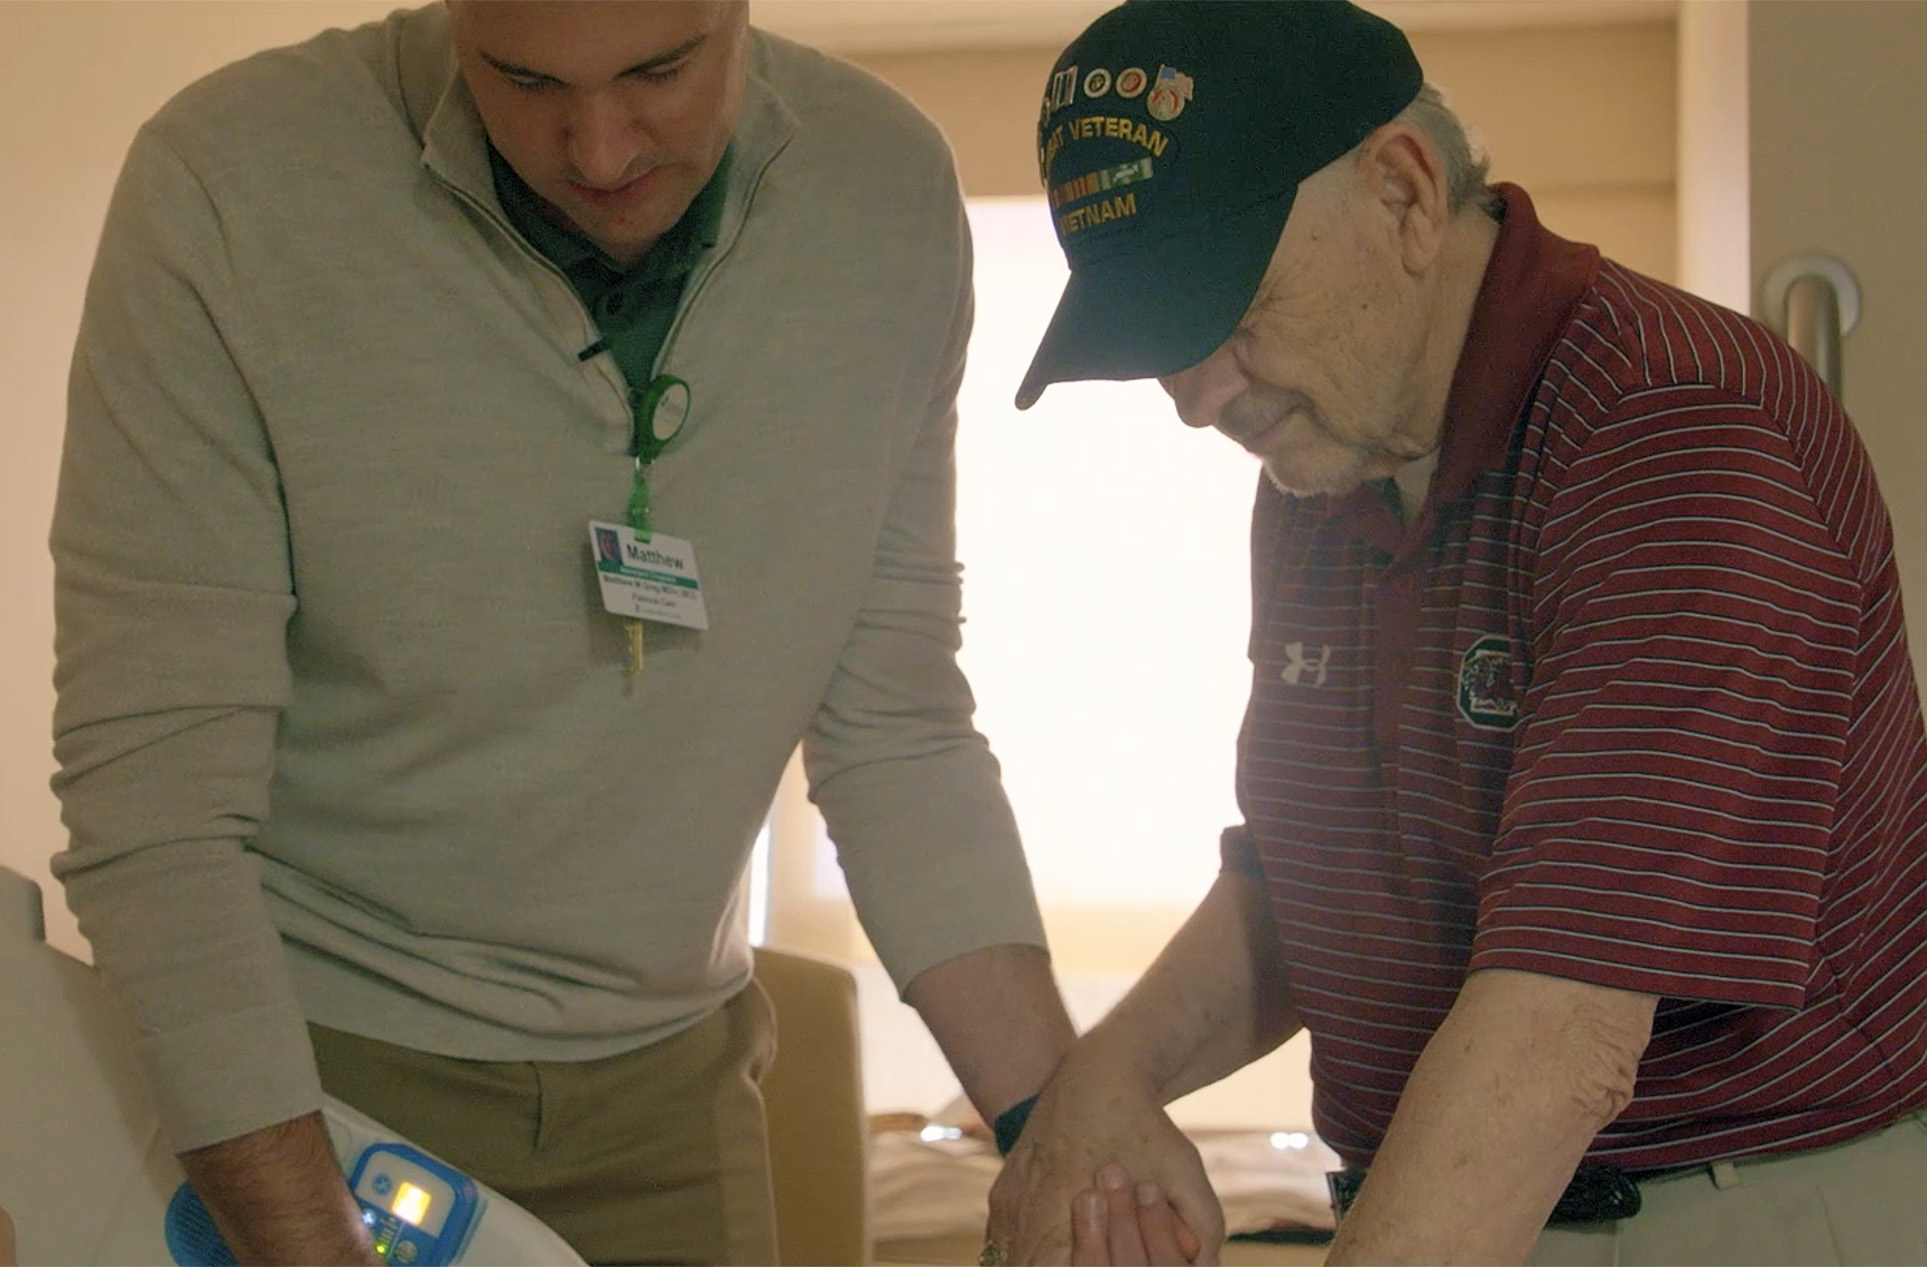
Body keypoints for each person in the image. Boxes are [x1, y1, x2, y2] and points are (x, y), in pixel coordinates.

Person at [48, 3, 1079, 1262]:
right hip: (301, 1078)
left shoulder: (884, 192)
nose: (596, 151)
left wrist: (1069, 1135)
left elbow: (897, 727)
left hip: (673, 1088)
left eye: (661, 71)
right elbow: (152, 799)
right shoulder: (230, 182)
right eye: (522, 78)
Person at [985, 2, 1927, 1264]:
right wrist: (1106, 1080)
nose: (1196, 398)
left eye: (1231, 308)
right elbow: (1304, 873)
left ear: (1404, 193)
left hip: (1725, 1206)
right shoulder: (1328, 464)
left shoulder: (1676, 428)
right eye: (1164, 341)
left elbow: (1562, 1037)